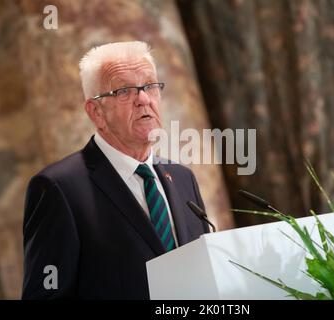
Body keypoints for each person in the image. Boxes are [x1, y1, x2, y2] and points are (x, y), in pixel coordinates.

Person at [22, 41, 209, 299]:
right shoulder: (59, 189)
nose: (144, 100)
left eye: (150, 86)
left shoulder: (182, 177)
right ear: (96, 112)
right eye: (124, 91)